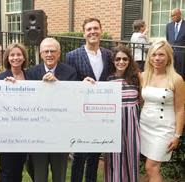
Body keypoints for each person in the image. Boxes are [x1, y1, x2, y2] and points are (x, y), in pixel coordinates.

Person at [65, 17, 112, 182]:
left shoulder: (108, 55)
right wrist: (80, 84)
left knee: (94, 154)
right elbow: (68, 83)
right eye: (89, 29)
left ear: (101, 30)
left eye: (95, 28)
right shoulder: (72, 56)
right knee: (79, 155)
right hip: (82, 112)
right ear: (84, 33)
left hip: (102, 112)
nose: (92, 31)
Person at [27, 37, 77, 182]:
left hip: (60, 132)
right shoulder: (31, 72)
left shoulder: (70, 72)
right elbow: (27, 101)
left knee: (59, 175)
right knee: (39, 176)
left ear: (59, 53)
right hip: (38, 132)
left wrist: (57, 84)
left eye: (53, 51)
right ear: (41, 54)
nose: (49, 54)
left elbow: (73, 99)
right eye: (46, 51)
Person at [140, 40, 185, 182]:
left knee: (151, 167)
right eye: (153, 55)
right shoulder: (143, 76)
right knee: (150, 167)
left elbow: (180, 109)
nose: (157, 58)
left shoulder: (177, 79)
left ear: (169, 57)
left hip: (164, 129)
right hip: (145, 126)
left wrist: (177, 135)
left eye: (161, 55)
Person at [103, 45, 141, 182]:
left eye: (125, 59)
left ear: (129, 60)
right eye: (118, 59)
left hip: (131, 124)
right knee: (115, 157)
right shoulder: (108, 80)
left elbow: (141, 101)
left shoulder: (136, 79)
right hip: (114, 124)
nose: (121, 62)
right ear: (113, 61)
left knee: (132, 155)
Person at [0, 43, 30, 182]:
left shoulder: (31, 76)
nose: (16, 58)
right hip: (7, 132)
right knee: (7, 169)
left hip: (26, 130)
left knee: (19, 168)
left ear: (24, 57)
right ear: (7, 58)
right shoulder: (1, 78)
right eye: (12, 55)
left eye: (19, 54)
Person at [166, 8, 185, 79]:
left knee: (181, 75)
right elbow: (168, 39)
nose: (172, 17)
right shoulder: (169, 26)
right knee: (171, 72)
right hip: (171, 53)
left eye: (174, 15)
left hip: (182, 54)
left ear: (179, 14)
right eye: (171, 16)